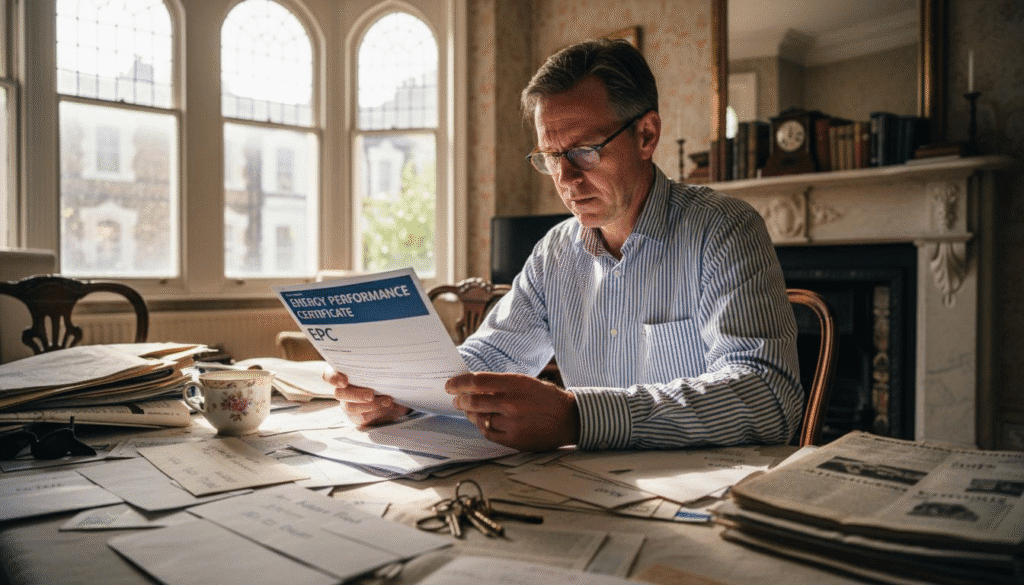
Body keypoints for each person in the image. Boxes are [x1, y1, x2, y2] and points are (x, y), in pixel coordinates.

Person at [329, 38, 802, 452]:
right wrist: (397, 397)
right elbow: (487, 361)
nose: (566, 179)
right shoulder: (555, 253)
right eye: (552, 157)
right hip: (591, 493)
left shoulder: (723, 229)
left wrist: (577, 417)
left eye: (584, 150)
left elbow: (766, 396)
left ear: (646, 134)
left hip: (704, 499)